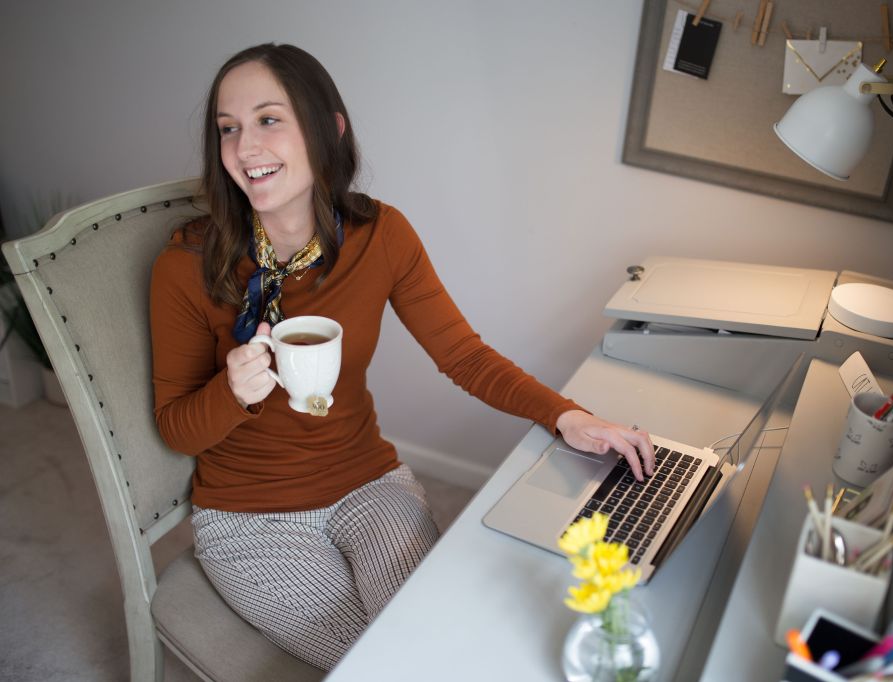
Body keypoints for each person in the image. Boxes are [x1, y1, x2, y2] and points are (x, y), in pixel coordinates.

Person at [150, 42, 654, 671]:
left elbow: (463, 356)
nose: (246, 148)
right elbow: (175, 428)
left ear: (330, 129)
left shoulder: (381, 235)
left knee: (443, 638)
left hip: (368, 485)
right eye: (229, 129)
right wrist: (233, 393)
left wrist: (568, 416)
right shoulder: (185, 266)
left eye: (269, 119)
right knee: (385, 662)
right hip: (251, 521)